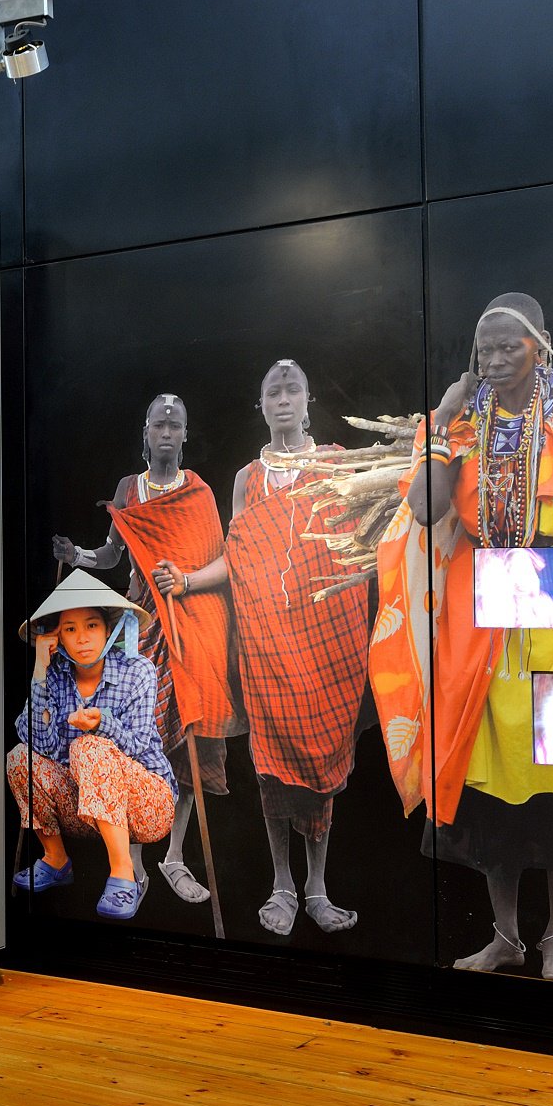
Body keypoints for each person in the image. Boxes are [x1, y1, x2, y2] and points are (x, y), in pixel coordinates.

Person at [372, 292, 553, 983]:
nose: (497, 358)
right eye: (486, 348)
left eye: (511, 345)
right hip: (479, 623)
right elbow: (424, 506)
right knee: (489, 790)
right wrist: (442, 420)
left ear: (541, 346)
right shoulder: (466, 426)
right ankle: (506, 936)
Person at [51, 393, 241, 907]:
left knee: (189, 742)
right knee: (133, 739)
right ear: (145, 432)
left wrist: (183, 580)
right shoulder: (129, 489)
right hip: (140, 629)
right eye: (159, 424)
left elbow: (218, 559)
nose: (166, 432)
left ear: (185, 435)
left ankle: (175, 855)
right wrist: (80, 555)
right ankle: (130, 864)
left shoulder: (197, 491)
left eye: (175, 425)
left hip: (192, 626)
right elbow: (114, 552)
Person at [219, 360, 372, 935]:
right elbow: (240, 557)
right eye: (273, 392)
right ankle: (282, 884)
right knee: (273, 765)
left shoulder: (337, 464)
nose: (283, 400)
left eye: (292, 390)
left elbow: (361, 542)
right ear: (261, 405)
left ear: (309, 400)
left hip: (327, 636)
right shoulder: (247, 479)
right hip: (265, 640)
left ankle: (317, 888)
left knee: (323, 754)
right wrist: (182, 581)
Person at [7, 570, 177, 920]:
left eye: (92, 626)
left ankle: (122, 873)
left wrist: (103, 724)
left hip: (145, 807)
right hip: (86, 810)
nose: (82, 638)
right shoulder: (53, 675)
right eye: (70, 629)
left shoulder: (138, 670)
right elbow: (37, 742)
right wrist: (40, 669)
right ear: (58, 637)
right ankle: (55, 859)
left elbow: (140, 745)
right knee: (19, 757)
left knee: (89, 748)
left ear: (108, 630)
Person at [475, 547, 553, 629]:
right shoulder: (503, 609)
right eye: (519, 572)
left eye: (529, 570)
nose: (528, 577)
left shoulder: (544, 602)